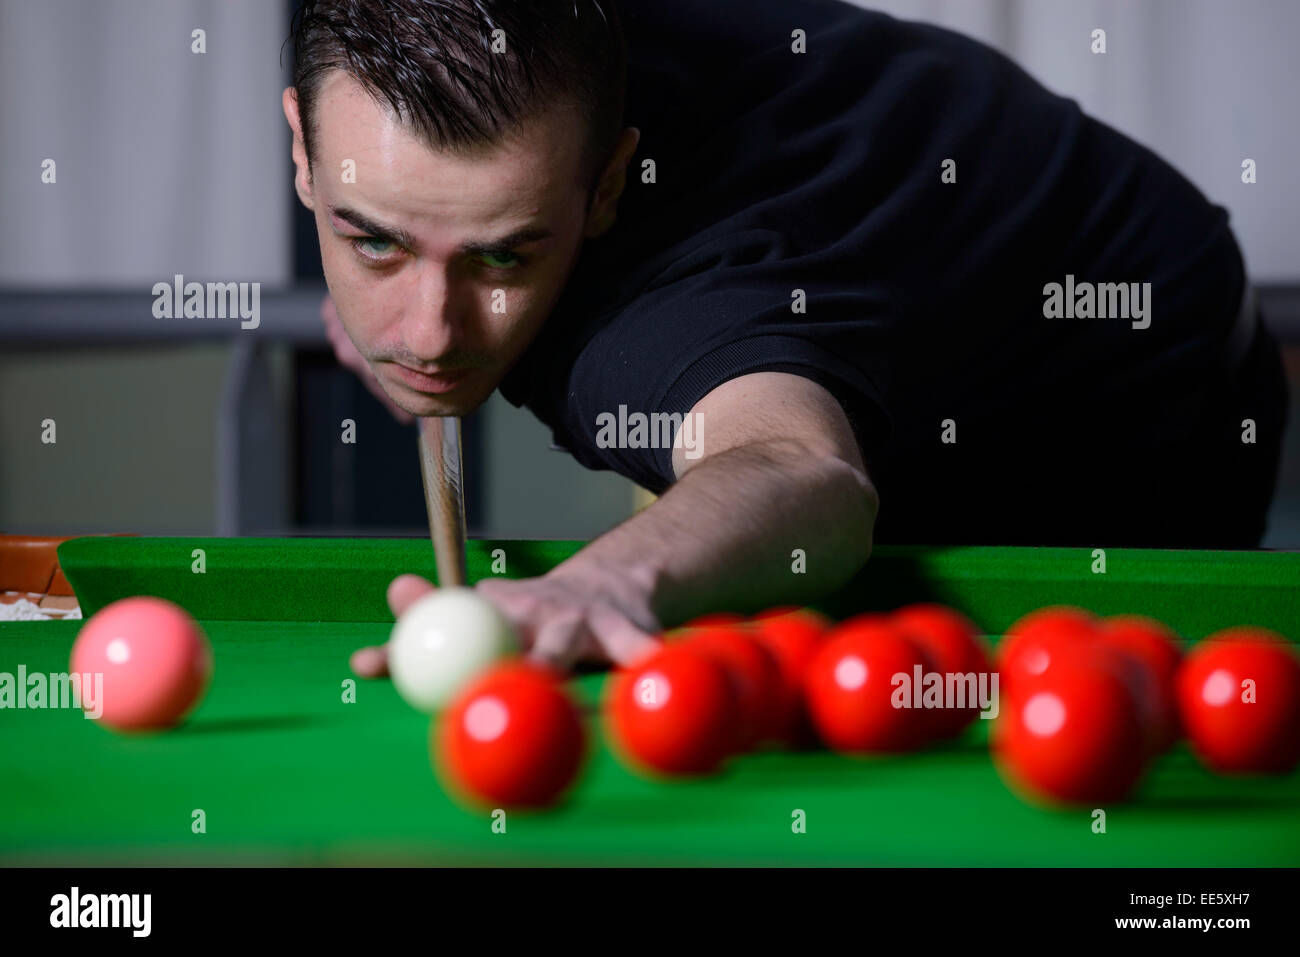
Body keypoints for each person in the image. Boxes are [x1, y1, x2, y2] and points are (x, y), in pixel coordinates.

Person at [283, 0, 1288, 670]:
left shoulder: (664, 316)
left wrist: (599, 582)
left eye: (502, 256)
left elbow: (803, 471)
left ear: (603, 188)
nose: (427, 327)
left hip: (1120, 382)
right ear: (302, 147)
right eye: (375, 241)